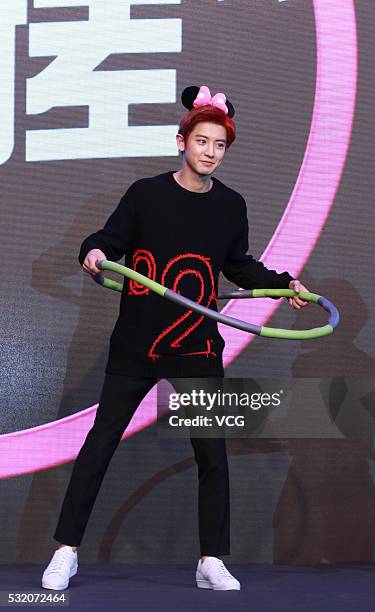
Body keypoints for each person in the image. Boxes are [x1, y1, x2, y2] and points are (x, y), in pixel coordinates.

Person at [41, 84, 309, 592]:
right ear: (181, 141)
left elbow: (238, 266)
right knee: (99, 444)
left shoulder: (231, 205)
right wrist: (94, 254)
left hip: (197, 344)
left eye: (219, 145)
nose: (210, 152)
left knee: (212, 453)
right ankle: (66, 552)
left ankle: (211, 559)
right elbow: (105, 240)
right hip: (138, 341)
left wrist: (284, 283)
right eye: (202, 141)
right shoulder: (145, 194)